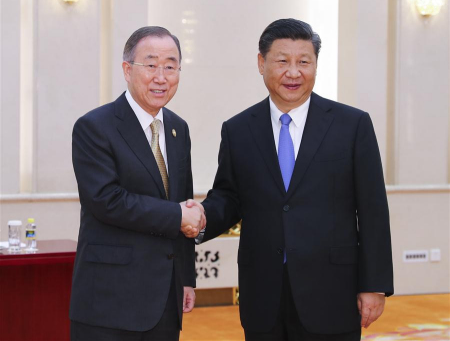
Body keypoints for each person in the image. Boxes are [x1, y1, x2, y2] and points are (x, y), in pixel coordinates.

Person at [197, 18, 394, 340]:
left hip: (332, 290)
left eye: (304, 62)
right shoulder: (238, 129)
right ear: (261, 64)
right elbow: (229, 198)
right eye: (282, 61)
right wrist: (197, 219)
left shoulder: (352, 125)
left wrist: (374, 285)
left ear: (316, 65)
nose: (294, 72)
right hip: (263, 290)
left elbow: (372, 209)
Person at [70, 26, 205, 341]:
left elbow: (182, 200)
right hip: (109, 300)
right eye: (151, 64)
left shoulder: (177, 129)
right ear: (127, 70)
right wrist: (177, 217)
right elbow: (106, 200)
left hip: (164, 299)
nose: (161, 76)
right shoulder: (95, 126)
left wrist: (186, 277)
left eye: (170, 66)